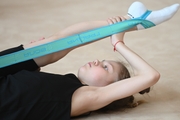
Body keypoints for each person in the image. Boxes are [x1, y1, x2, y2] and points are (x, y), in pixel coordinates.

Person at [0, 1, 179, 120]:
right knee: (55, 44)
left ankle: (135, 22)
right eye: (103, 62)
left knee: (53, 46)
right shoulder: (67, 83)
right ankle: (131, 20)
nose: (96, 61)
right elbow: (62, 38)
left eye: (105, 67)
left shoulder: (87, 97)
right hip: (5, 70)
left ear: (110, 87)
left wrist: (118, 43)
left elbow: (150, 76)